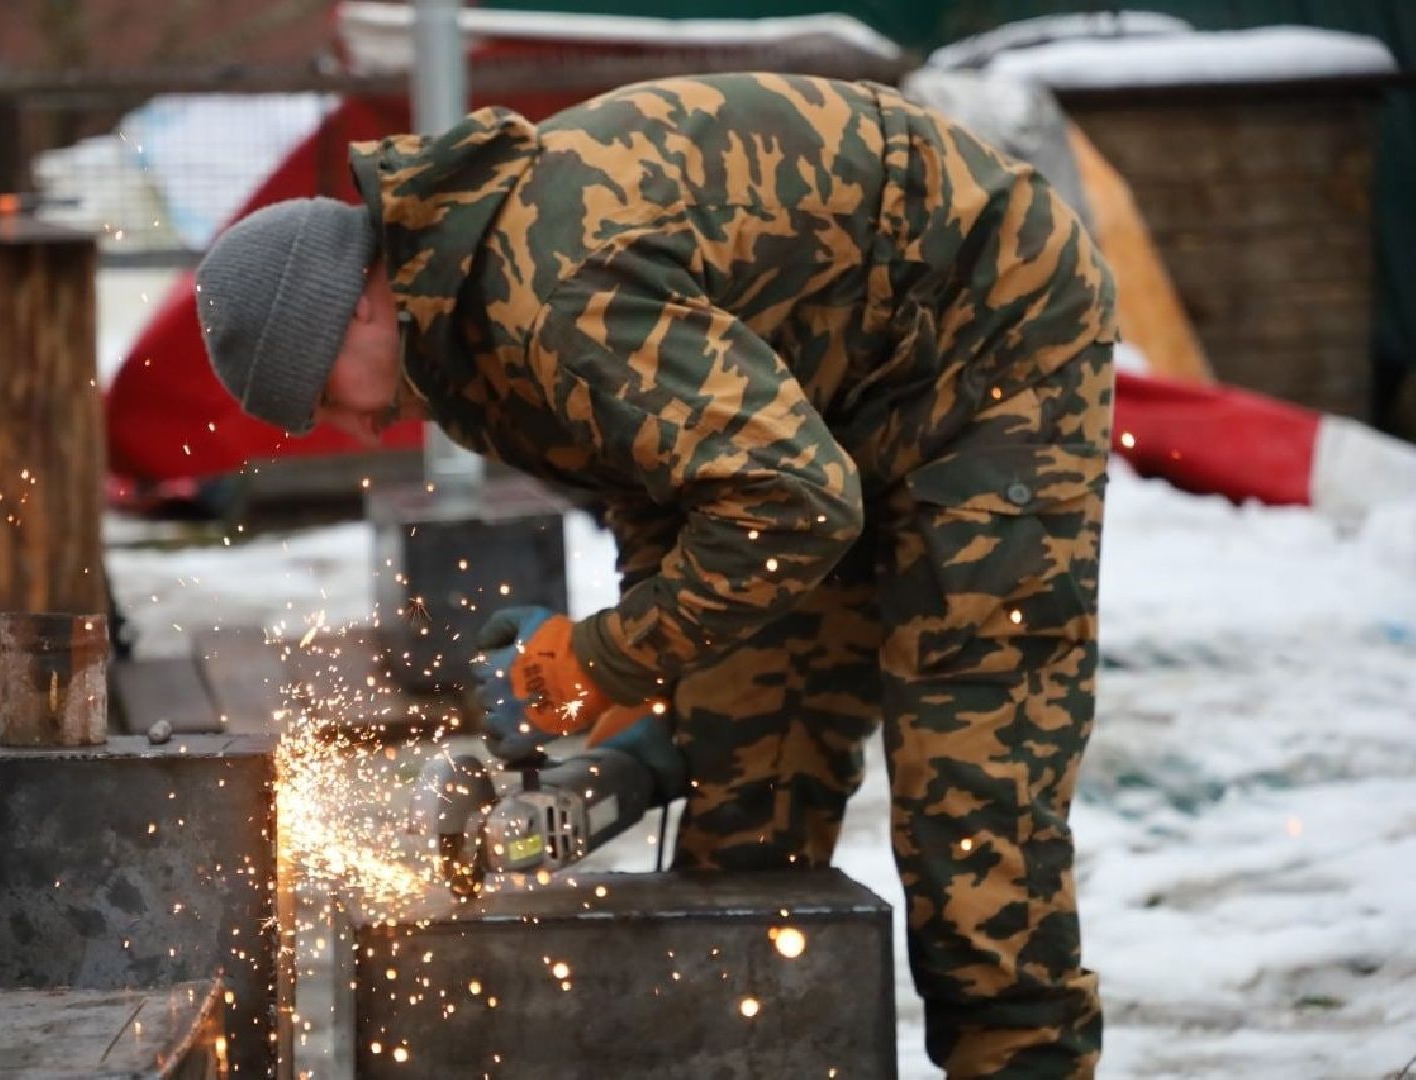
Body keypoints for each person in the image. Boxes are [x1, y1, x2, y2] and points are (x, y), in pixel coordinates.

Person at [195, 72, 1115, 1078]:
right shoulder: (464, 342)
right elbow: (663, 492)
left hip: (983, 333)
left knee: (968, 808)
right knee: (743, 784)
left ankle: (1020, 1056)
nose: (352, 430)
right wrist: (650, 686)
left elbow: (796, 506)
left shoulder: (547, 292)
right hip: (817, 396)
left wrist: (608, 658)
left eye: (323, 397)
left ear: (356, 307)